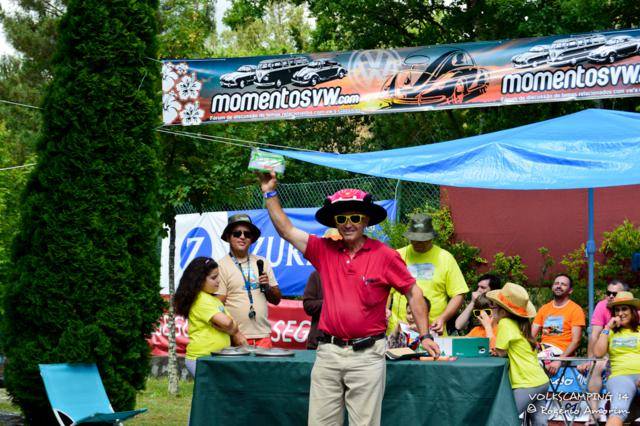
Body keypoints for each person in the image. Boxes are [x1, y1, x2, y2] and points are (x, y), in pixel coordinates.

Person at [257, 173, 439, 426]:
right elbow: (286, 230)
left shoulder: (385, 255)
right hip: (328, 353)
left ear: (365, 220)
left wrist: (426, 335)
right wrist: (269, 192)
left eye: (355, 217)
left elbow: (413, 292)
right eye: (341, 218)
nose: (348, 223)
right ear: (335, 222)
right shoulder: (323, 250)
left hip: (367, 356)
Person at [388, 213, 469, 336]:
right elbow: (384, 289)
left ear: (431, 237)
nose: (418, 243)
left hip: (433, 330)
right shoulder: (397, 256)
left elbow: (459, 293)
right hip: (399, 331)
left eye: (423, 239)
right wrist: (384, 310)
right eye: (415, 239)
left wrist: (443, 318)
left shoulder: (445, 258)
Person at [486, 282, 550, 426]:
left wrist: (489, 326)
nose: (491, 308)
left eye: (493, 305)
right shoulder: (521, 325)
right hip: (541, 381)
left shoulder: (505, 323)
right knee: (540, 422)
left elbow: (501, 352)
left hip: (526, 384)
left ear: (502, 311)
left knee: (505, 419)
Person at [217, 213, 281, 348]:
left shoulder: (262, 262)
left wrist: (267, 287)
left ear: (251, 239)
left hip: (263, 337)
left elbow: (276, 300)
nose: (242, 237)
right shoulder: (220, 266)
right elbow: (218, 307)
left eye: (247, 234)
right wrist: (234, 334)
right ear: (228, 237)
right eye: (237, 233)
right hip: (236, 339)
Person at [173, 257, 240, 376]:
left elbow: (234, 328)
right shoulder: (200, 299)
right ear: (199, 280)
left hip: (213, 358)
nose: (218, 281)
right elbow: (228, 323)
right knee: (210, 394)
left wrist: (230, 326)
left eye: (218, 276)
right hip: (202, 358)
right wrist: (228, 327)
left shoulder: (214, 300)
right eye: (213, 278)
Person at [579, 279, 629, 421]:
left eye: (615, 293)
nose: (611, 296)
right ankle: (594, 412)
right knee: (596, 366)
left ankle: (617, 414)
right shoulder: (602, 306)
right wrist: (591, 360)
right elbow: (594, 335)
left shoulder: (633, 310)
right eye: (608, 293)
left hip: (629, 353)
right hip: (607, 351)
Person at [593, 291, 640, 426]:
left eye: (624, 309)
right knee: (618, 410)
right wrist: (607, 328)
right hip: (620, 376)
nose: (620, 313)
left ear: (632, 311)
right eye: (617, 310)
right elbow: (598, 353)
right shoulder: (610, 332)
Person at [532, 273, 585, 374]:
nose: (559, 286)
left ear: (570, 290)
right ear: (552, 287)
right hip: (544, 349)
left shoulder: (575, 309)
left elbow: (576, 341)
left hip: (561, 352)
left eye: (563, 284)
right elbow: (531, 335)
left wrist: (560, 360)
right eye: (556, 283)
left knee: (534, 362)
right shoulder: (544, 308)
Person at [303, 228, 342, 350]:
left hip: (344, 344)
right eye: (330, 243)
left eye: (338, 243)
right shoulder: (316, 275)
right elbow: (308, 306)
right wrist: (330, 303)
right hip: (318, 342)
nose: (334, 247)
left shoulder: (351, 273)